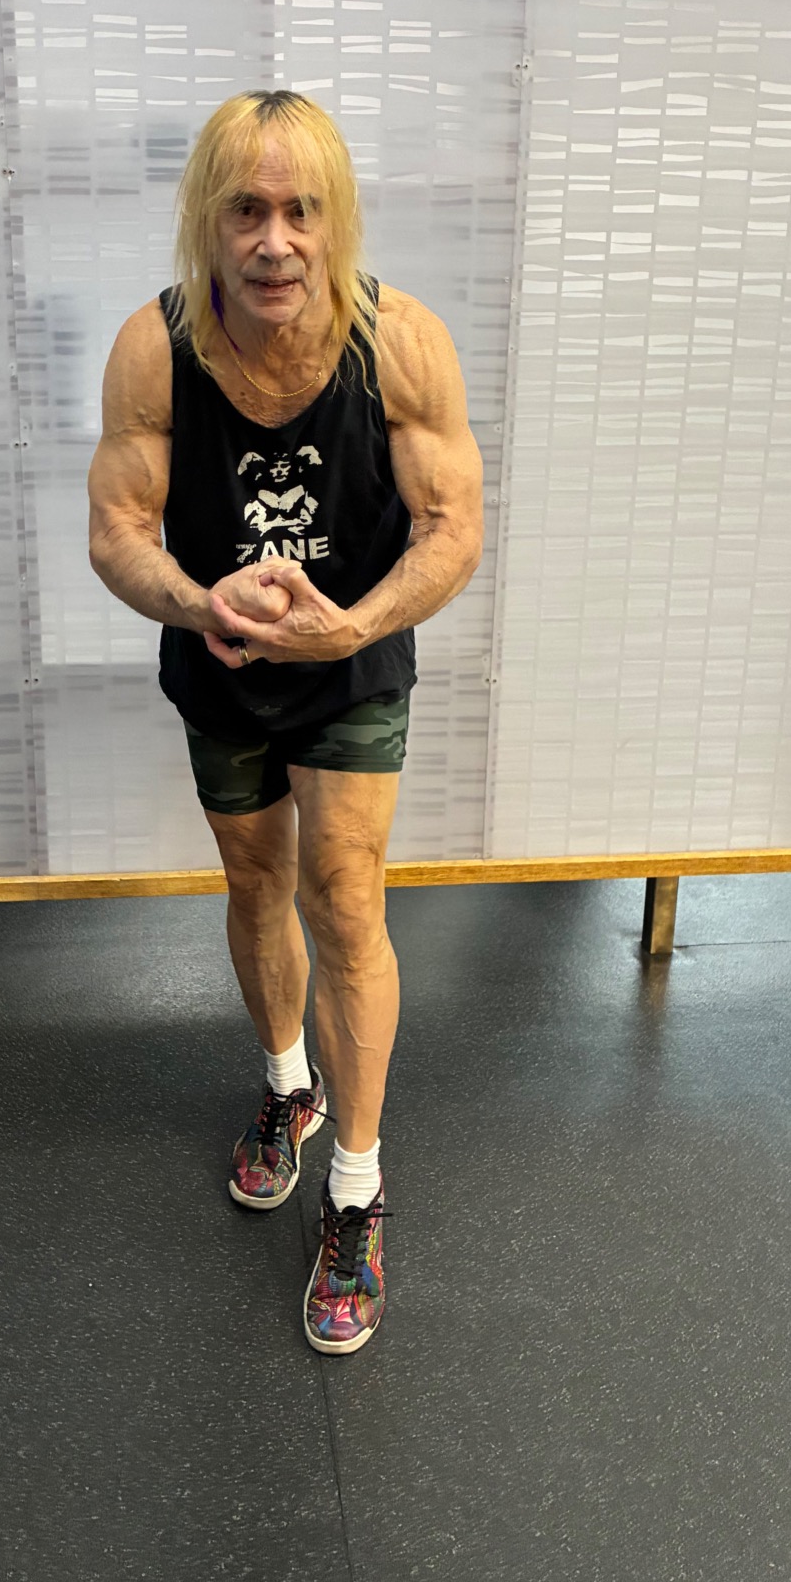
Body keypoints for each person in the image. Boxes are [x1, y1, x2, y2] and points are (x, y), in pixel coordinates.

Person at [87, 90, 483, 1353]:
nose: (274, 241)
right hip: (220, 652)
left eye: (301, 210)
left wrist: (350, 626)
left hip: (349, 657)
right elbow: (117, 529)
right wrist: (199, 600)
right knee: (256, 878)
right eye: (247, 210)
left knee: (344, 895)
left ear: (336, 218)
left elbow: (453, 527)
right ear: (209, 220)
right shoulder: (154, 349)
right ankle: (286, 1086)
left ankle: (356, 1188)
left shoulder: (400, 343)